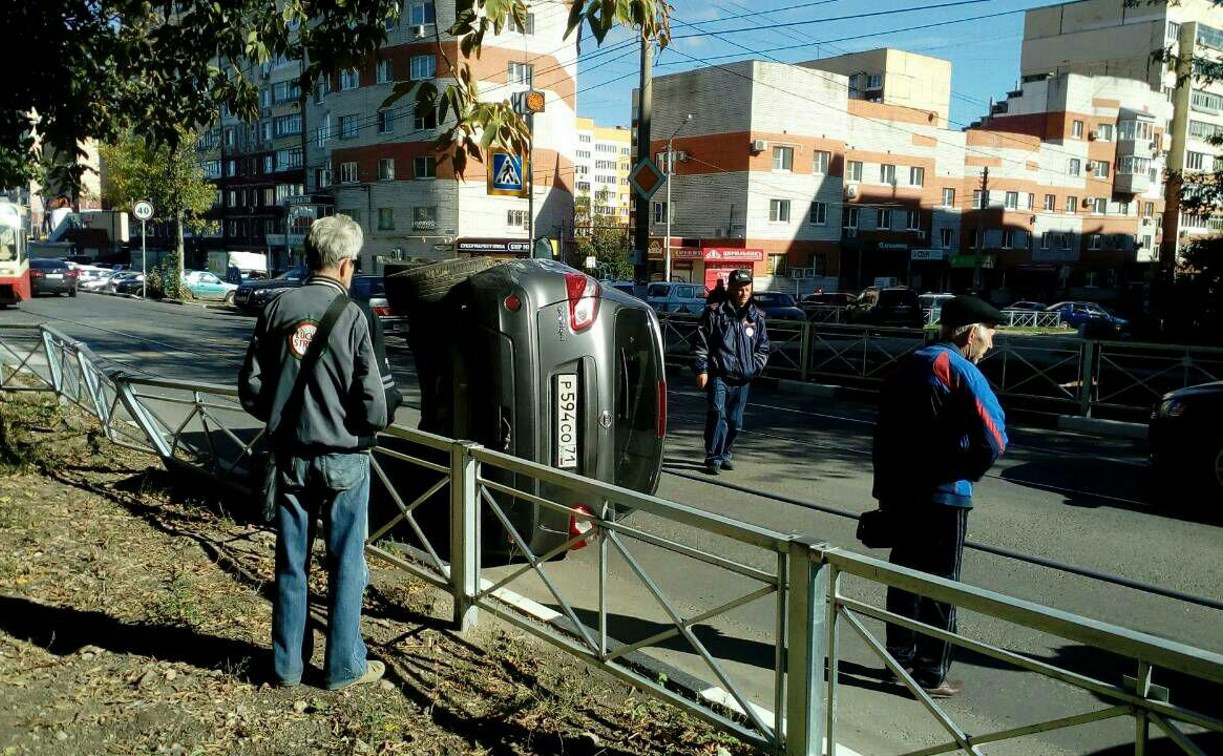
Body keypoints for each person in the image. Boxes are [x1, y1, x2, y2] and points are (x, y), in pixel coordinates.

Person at [239, 214, 402, 690]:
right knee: (346, 564)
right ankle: (343, 666)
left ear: (309, 257)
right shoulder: (352, 316)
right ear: (348, 265)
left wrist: (285, 415)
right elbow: (373, 404)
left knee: (291, 562)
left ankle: (287, 666)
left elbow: (250, 388)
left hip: (289, 458)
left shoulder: (276, 308)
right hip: (345, 462)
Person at [871, 295, 1008, 699]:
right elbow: (995, 437)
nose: (992, 344)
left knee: (903, 579)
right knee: (940, 586)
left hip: (900, 493)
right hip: (944, 497)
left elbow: (883, 433)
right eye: (990, 335)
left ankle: (897, 662)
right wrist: (966, 471)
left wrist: (885, 490)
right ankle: (931, 673)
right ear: (970, 333)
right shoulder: (959, 369)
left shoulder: (908, 362)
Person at [693, 269, 769, 475]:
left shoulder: (756, 317)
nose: (743, 293)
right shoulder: (715, 312)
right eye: (739, 289)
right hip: (719, 374)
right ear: (731, 289)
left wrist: (754, 368)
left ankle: (725, 452)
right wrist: (702, 369)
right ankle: (713, 456)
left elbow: (763, 348)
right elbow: (702, 343)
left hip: (743, 378)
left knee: (735, 422)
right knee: (718, 413)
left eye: (747, 289)